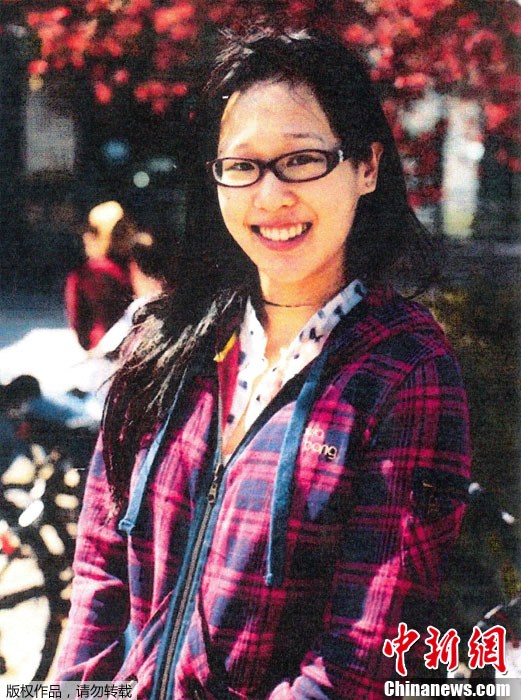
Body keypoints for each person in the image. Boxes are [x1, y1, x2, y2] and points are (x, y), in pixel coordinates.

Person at [54, 27, 471, 699]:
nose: (270, 195)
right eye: (242, 165)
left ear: (366, 167)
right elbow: (99, 578)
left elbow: (360, 658)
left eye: (301, 159)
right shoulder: (163, 343)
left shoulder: (404, 371)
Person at [65, 201, 133, 350]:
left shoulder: (83, 274)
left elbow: (78, 322)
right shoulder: (137, 268)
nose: (86, 236)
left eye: (93, 231)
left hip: (100, 351)